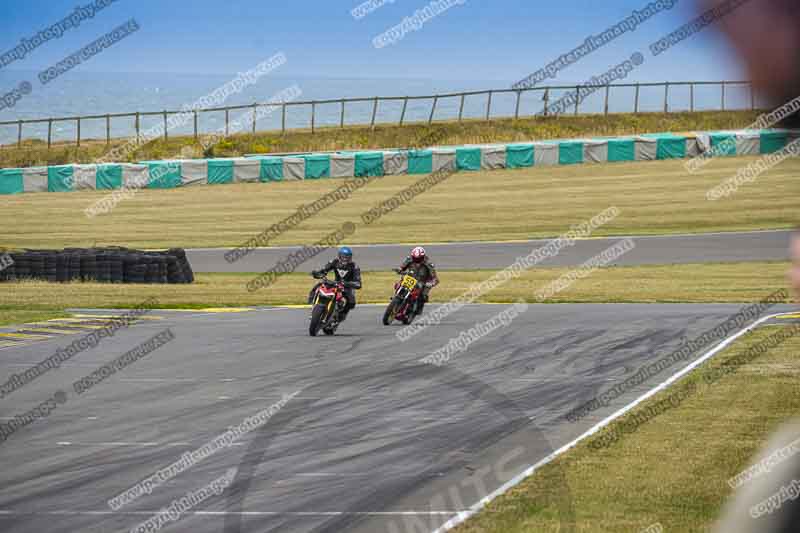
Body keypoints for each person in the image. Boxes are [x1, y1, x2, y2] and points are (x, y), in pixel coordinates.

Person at [310, 246, 362, 324]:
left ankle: (342, 315)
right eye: (343, 256)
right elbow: (324, 270)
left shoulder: (354, 267)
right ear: (339, 256)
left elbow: (358, 283)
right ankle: (312, 304)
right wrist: (318, 274)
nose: (345, 259)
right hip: (335, 283)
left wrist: (349, 284)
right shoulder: (334, 262)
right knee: (318, 286)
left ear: (350, 257)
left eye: (347, 257)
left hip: (347, 286)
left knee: (351, 302)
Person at [395, 246, 439, 315]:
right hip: (410, 278)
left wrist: (431, 283)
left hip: (422, 281)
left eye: (418, 259)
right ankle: (396, 298)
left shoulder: (429, 264)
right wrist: (399, 269)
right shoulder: (409, 259)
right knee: (398, 284)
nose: (416, 260)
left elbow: (435, 278)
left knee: (423, 295)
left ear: (423, 257)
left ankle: (418, 308)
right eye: (415, 258)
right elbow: (402, 266)